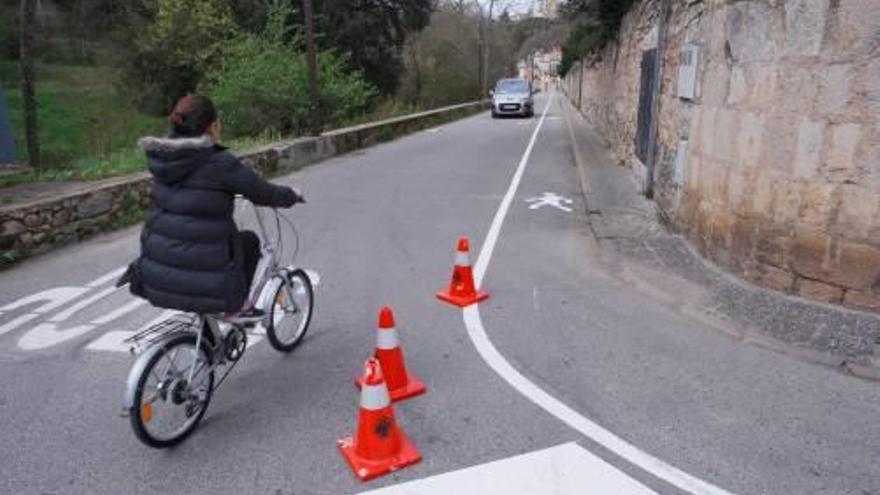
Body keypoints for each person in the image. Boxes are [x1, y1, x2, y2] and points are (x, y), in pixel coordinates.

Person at [124, 95, 302, 316]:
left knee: (199, 250)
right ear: (212, 127)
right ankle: (238, 306)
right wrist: (292, 195)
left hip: (156, 274)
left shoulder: (162, 159)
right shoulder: (219, 162)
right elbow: (263, 192)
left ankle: (209, 344)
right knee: (248, 241)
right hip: (203, 274)